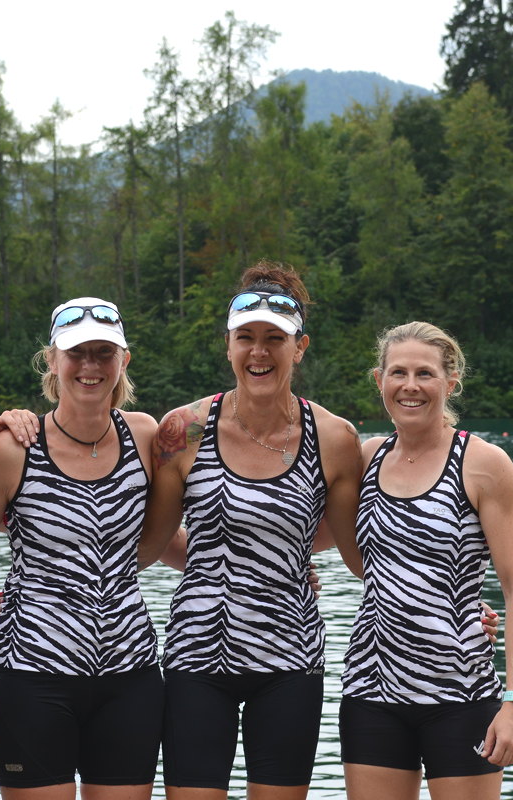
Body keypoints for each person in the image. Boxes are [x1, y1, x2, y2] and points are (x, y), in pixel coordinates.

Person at [137, 261, 365, 800]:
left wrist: (455, 603)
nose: (259, 352)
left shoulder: (334, 438)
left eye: (273, 340)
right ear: (228, 345)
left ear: (300, 346)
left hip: (290, 655)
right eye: (246, 339)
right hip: (198, 652)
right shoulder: (183, 429)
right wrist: (42, 582)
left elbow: (359, 552)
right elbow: (147, 541)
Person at [0, 298, 165, 800]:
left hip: (130, 675)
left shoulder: (145, 435)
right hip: (34, 675)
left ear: (124, 361)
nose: (91, 366)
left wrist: (264, 571)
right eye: (77, 353)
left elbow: (164, 541)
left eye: (104, 352)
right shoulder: (13, 449)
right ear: (52, 360)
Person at [339, 321, 513, 800]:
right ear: (379, 380)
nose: (410, 386)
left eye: (425, 374)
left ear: (450, 383)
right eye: (399, 373)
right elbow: (332, 542)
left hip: (461, 695)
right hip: (372, 691)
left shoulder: (483, 463)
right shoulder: (366, 458)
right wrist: (295, 567)